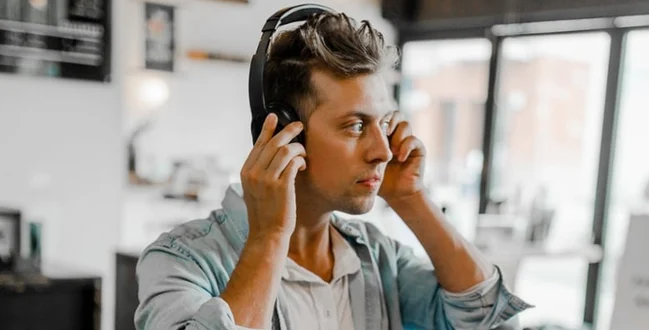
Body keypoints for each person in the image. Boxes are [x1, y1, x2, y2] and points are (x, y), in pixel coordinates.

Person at [134, 6, 532, 330]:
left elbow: (487, 317)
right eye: (356, 126)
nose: (384, 151)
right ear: (286, 133)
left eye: (385, 124)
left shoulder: (378, 258)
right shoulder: (182, 259)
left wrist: (412, 199)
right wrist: (270, 237)